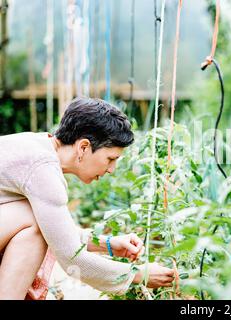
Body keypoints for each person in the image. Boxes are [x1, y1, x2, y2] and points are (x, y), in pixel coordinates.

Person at [0, 97, 175, 300]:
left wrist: (108, 244)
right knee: (34, 224)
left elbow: (58, 232)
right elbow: (71, 258)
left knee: (34, 218)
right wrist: (137, 274)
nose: (111, 169)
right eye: (110, 159)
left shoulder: (38, 147)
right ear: (83, 147)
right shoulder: (42, 168)